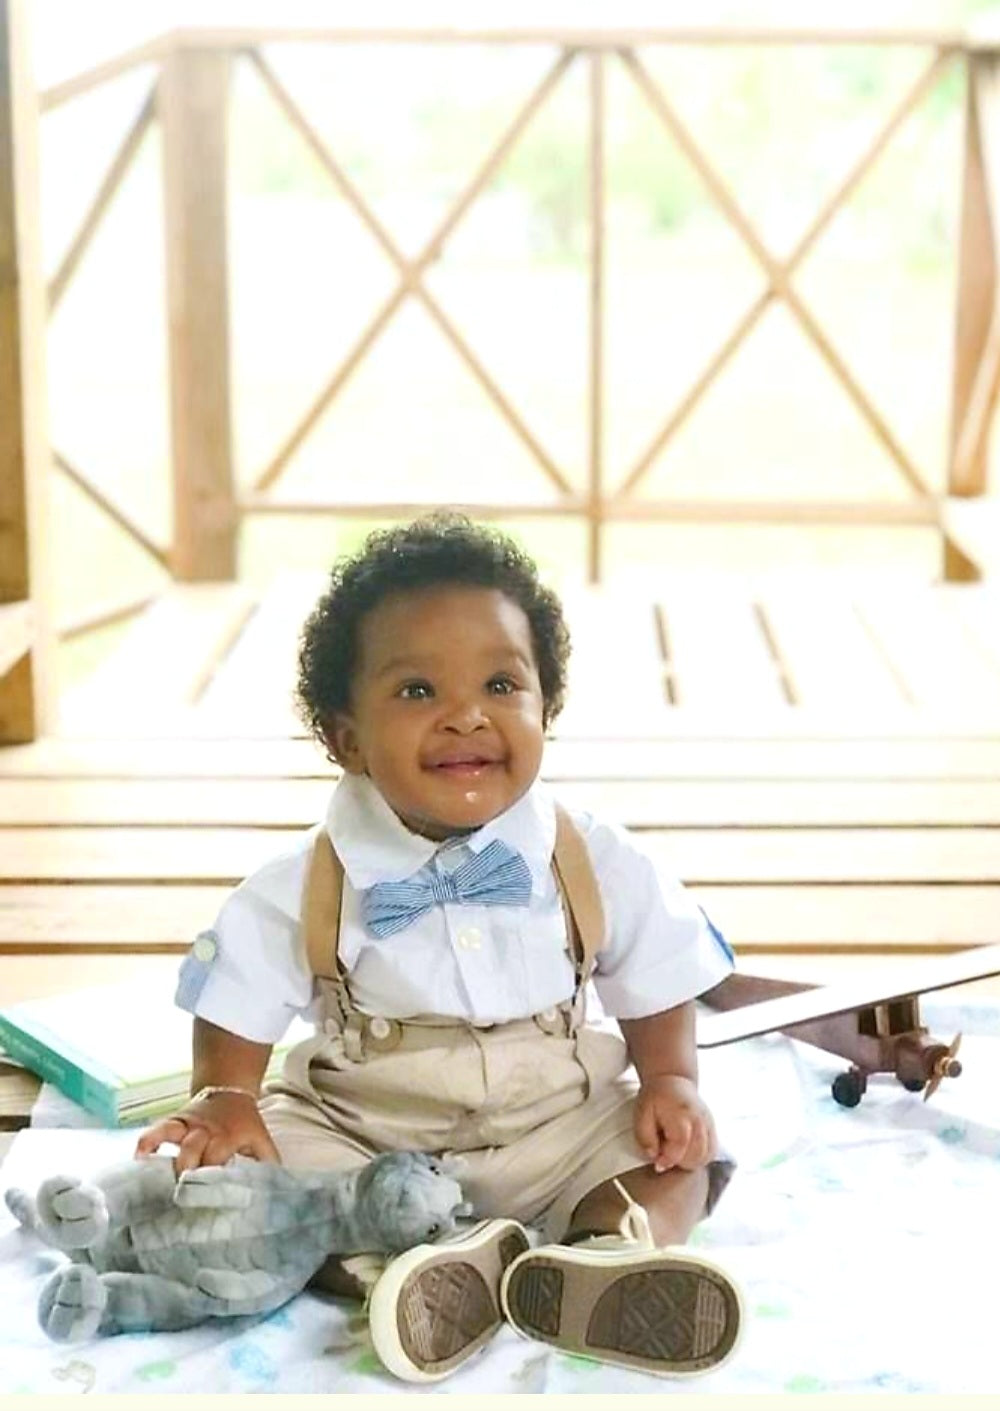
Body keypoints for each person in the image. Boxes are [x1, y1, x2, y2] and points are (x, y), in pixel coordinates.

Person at [136, 513, 743, 1383]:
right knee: (276, 1168)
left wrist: (672, 1080)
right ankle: (412, 1269)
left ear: (547, 706)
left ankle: (605, 1255)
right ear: (346, 737)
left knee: (681, 1153)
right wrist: (228, 1096)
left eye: (502, 684)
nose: (466, 717)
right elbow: (234, 988)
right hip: (372, 1131)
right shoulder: (311, 878)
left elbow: (659, 968)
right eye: (418, 692)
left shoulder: (590, 853)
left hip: (554, 1121)